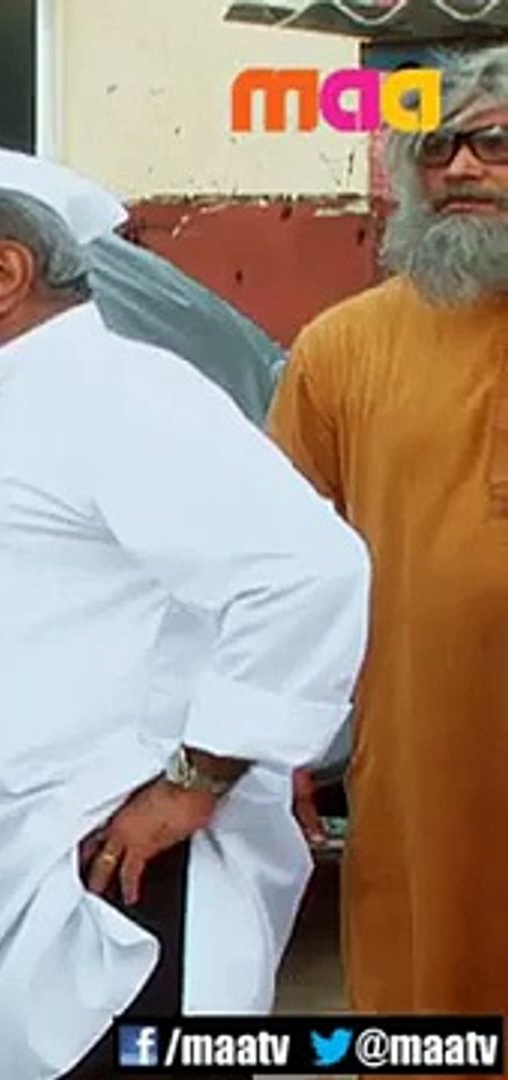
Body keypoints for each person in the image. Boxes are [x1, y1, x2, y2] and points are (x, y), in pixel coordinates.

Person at [0, 143, 372, 1080]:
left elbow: (306, 573)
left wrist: (197, 777)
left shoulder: (115, 394)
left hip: (109, 894)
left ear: (2, 273)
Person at [270, 44, 508, 1041]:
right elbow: (275, 563)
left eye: (493, 145)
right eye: (436, 148)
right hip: (419, 759)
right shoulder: (344, 346)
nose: (461, 169)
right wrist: (273, 745)